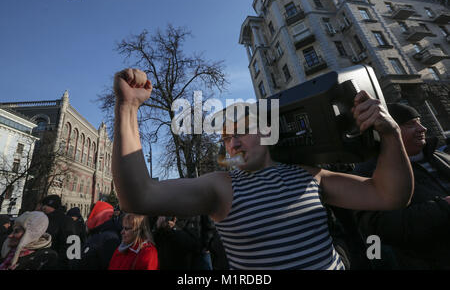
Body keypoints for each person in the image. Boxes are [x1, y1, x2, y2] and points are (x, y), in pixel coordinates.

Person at [111, 68, 413, 270]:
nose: (233, 143)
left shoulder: (307, 174)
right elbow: (138, 196)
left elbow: (389, 196)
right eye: (226, 138)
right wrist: (128, 107)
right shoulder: (221, 186)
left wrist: (390, 134)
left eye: (241, 131)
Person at [353, 103, 450, 269]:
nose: (422, 128)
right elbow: (379, 228)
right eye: (410, 124)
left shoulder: (441, 156)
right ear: (389, 131)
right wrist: (444, 207)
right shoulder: (369, 171)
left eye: (419, 121)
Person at [74, 201, 121, 270]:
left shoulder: (109, 238)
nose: (88, 217)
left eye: (91, 213)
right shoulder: (97, 233)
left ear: (98, 216)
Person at [40, 195, 78, 269]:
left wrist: (64, 264)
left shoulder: (66, 221)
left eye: (45, 205)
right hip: (43, 262)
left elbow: (72, 245)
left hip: (56, 263)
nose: (43, 208)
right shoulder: (43, 219)